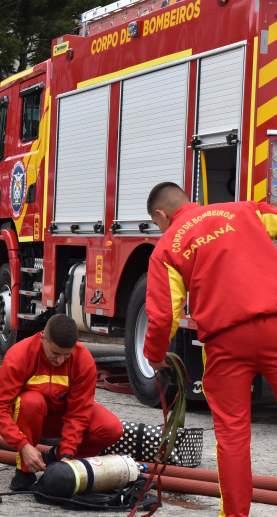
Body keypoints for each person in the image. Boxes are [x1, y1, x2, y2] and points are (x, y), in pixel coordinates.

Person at [144, 182, 277, 517]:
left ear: (162, 214)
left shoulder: (167, 247)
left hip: (225, 343)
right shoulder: (245, 211)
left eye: (158, 223)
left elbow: (162, 315)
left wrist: (155, 356)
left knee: (232, 437)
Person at [0, 314, 123, 491]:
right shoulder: (20, 355)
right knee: (31, 402)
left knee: (111, 427)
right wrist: (23, 446)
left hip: (62, 420)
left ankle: (53, 456)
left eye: (66, 355)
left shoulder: (83, 360)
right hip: (30, 419)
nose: (60, 360)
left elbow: (79, 414)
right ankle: (25, 470)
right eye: (55, 353)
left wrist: (67, 454)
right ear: (42, 338)